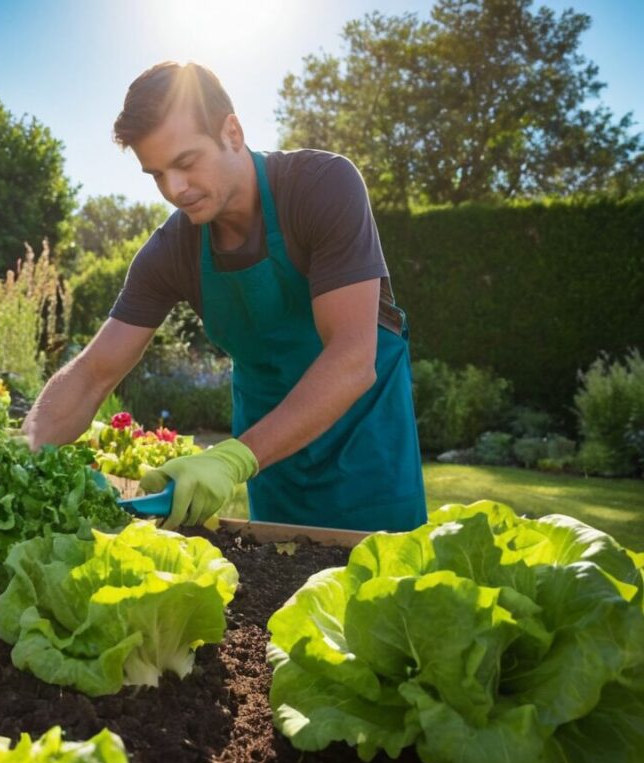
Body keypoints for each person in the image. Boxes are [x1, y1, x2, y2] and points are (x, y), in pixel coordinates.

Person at [23, 61, 426, 533]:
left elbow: (353, 357)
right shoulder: (172, 251)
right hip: (274, 462)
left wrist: (233, 458)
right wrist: (21, 453)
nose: (174, 189)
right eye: (156, 174)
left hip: (369, 460)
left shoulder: (322, 187)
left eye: (186, 163)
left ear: (232, 132)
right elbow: (93, 373)